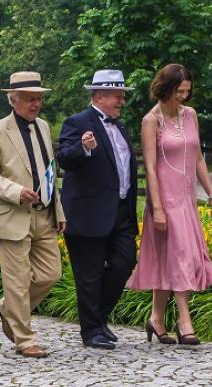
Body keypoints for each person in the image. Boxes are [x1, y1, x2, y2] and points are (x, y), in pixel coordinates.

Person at [128, 64, 212, 346]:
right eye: (179, 91)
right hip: (164, 200)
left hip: (187, 200)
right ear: (165, 88)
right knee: (181, 257)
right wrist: (156, 208)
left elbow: (199, 160)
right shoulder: (151, 120)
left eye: (187, 91)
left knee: (170, 259)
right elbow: (152, 168)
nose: (184, 96)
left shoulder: (190, 115)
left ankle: (156, 320)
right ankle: (184, 321)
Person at [0, 71, 65, 358]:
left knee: (51, 274)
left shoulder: (42, 126)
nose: (36, 104)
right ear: (13, 99)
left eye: (39, 98)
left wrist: (58, 209)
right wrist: (15, 191)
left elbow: (49, 171)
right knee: (16, 281)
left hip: (43, 214)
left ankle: (6, 308)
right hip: (12, 215)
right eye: (29, 99)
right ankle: (24, 339)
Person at [56, 70, 139, 350]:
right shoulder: (77, 122)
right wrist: (83, 147)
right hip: (87, 213)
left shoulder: (120, 126)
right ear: (99, 96)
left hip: (120, 211)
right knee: (89, 274)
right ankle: (91, 331)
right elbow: (63, 160)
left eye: (122, 95)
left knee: (125, 262)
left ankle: (98, 318)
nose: (122, 101)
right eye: (118, 95)